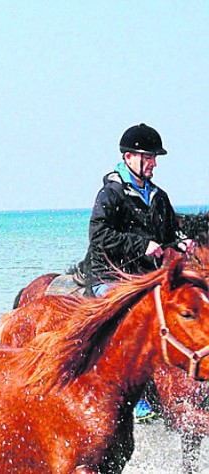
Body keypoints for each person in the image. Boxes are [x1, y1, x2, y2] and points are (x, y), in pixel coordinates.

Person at [84, 123, 195, 420]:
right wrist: (141, 245)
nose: (154, 163)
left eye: (154, 158)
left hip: (145, 280)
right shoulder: (111, 193)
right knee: (131, 323)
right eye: (149, 157)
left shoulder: (159, 196)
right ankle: (136, 400)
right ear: (129, 157)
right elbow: (99, 236)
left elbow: (170, 231)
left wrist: (185, 243)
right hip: (111, 277)